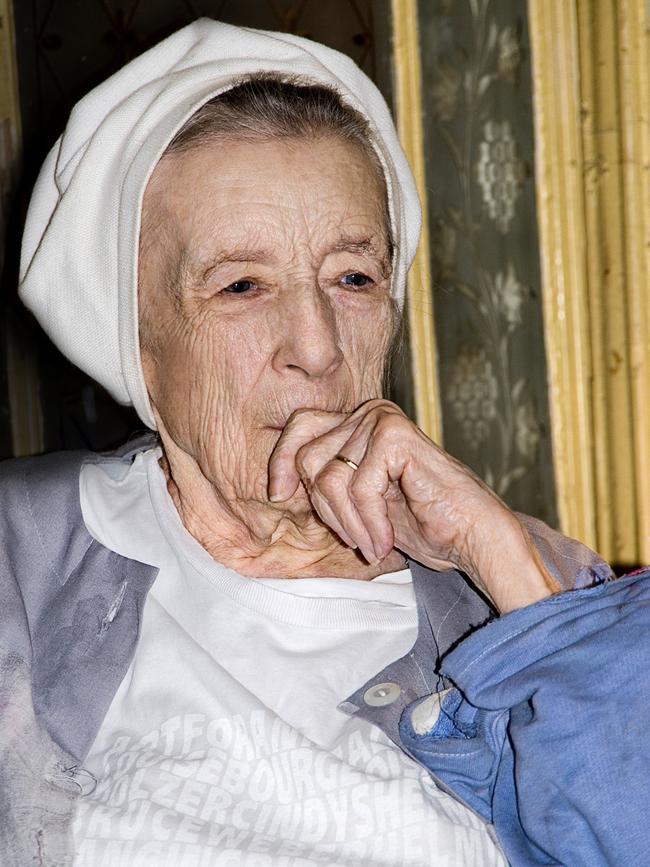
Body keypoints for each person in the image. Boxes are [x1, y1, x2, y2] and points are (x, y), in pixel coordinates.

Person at [2, 17, 648, 867]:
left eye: (353, 277)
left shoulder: (541, 586)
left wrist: (508, 564)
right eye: (241, 285)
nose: (316, 345)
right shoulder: (20, 558)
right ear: (139, 342)